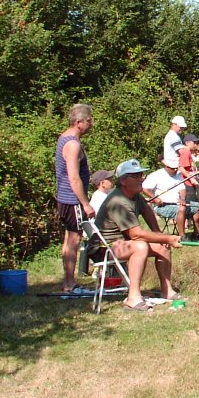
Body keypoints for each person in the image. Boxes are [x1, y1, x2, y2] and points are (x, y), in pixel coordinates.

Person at [90, 158, 184, 311]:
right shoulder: (118, 201)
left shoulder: (134, 194)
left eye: (142, 175)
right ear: (124, 181)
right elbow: (136, 234)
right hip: (102, 249)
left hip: (121, 243)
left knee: (162, 246)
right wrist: (168, 237)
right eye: (137, 176)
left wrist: (159, 235)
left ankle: (167, 290)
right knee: (140, 246)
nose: (142, 179)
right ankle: (133, 297)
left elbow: (147, 211)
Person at [55, 103, 95, 293]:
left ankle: (68, 281)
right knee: (74, 240)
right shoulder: (72, 144)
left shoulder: (64, 137)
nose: (91, 124)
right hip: (72, 200)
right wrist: (86, 204)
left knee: (69, 239)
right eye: (89, 120)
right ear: (78, 122)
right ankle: (70, 283)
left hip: (66, 198)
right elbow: (73, 177)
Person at [142, 155, 199, 241]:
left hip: (178, 203)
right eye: (173, 168)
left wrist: (183, 199)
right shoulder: (156, 175)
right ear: (166, 166)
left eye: (176, 168)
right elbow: (144, 188)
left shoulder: (178, 175)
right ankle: (182, 236)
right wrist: (155, 198)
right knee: (182, 209)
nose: (175, 170)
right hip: (163, 206)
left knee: (198, 206)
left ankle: (197, 233)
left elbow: (182, 189)